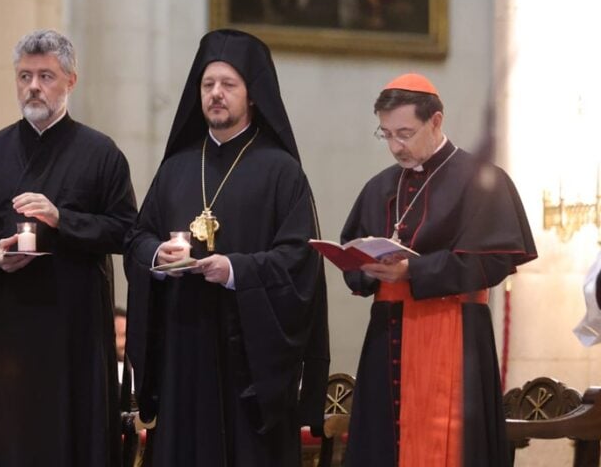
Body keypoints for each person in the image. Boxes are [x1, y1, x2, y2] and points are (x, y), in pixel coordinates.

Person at [124, 29, 329, 467]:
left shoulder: (282, 172)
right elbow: (138, 238)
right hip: (183, 349)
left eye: (228, 85)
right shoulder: (176, 168)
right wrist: (158, 258)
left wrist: (234, 270)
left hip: (249, 360)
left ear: (252, 95)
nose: (216, 94)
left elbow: (299, 260)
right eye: (208, 84)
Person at [0, 29, 137, 467]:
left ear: (71, 81)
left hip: (75, 324)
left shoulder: (101, 153)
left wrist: (61, 219)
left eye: (46, 76)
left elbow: (126, 229)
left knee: (71, 432)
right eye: (25, 76)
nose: (33, 86)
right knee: (9, 434)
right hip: (9, 319)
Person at [339, 73, 537, 466]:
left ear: (436, 122)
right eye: (387, 134)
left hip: (456, 332)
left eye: (406, 133)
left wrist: (415, 271)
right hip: (387, 336)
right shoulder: (380, 187)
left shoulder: (483, 181)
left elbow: (493, 261)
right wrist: (364, 269)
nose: (396, 146)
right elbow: (354, 259)